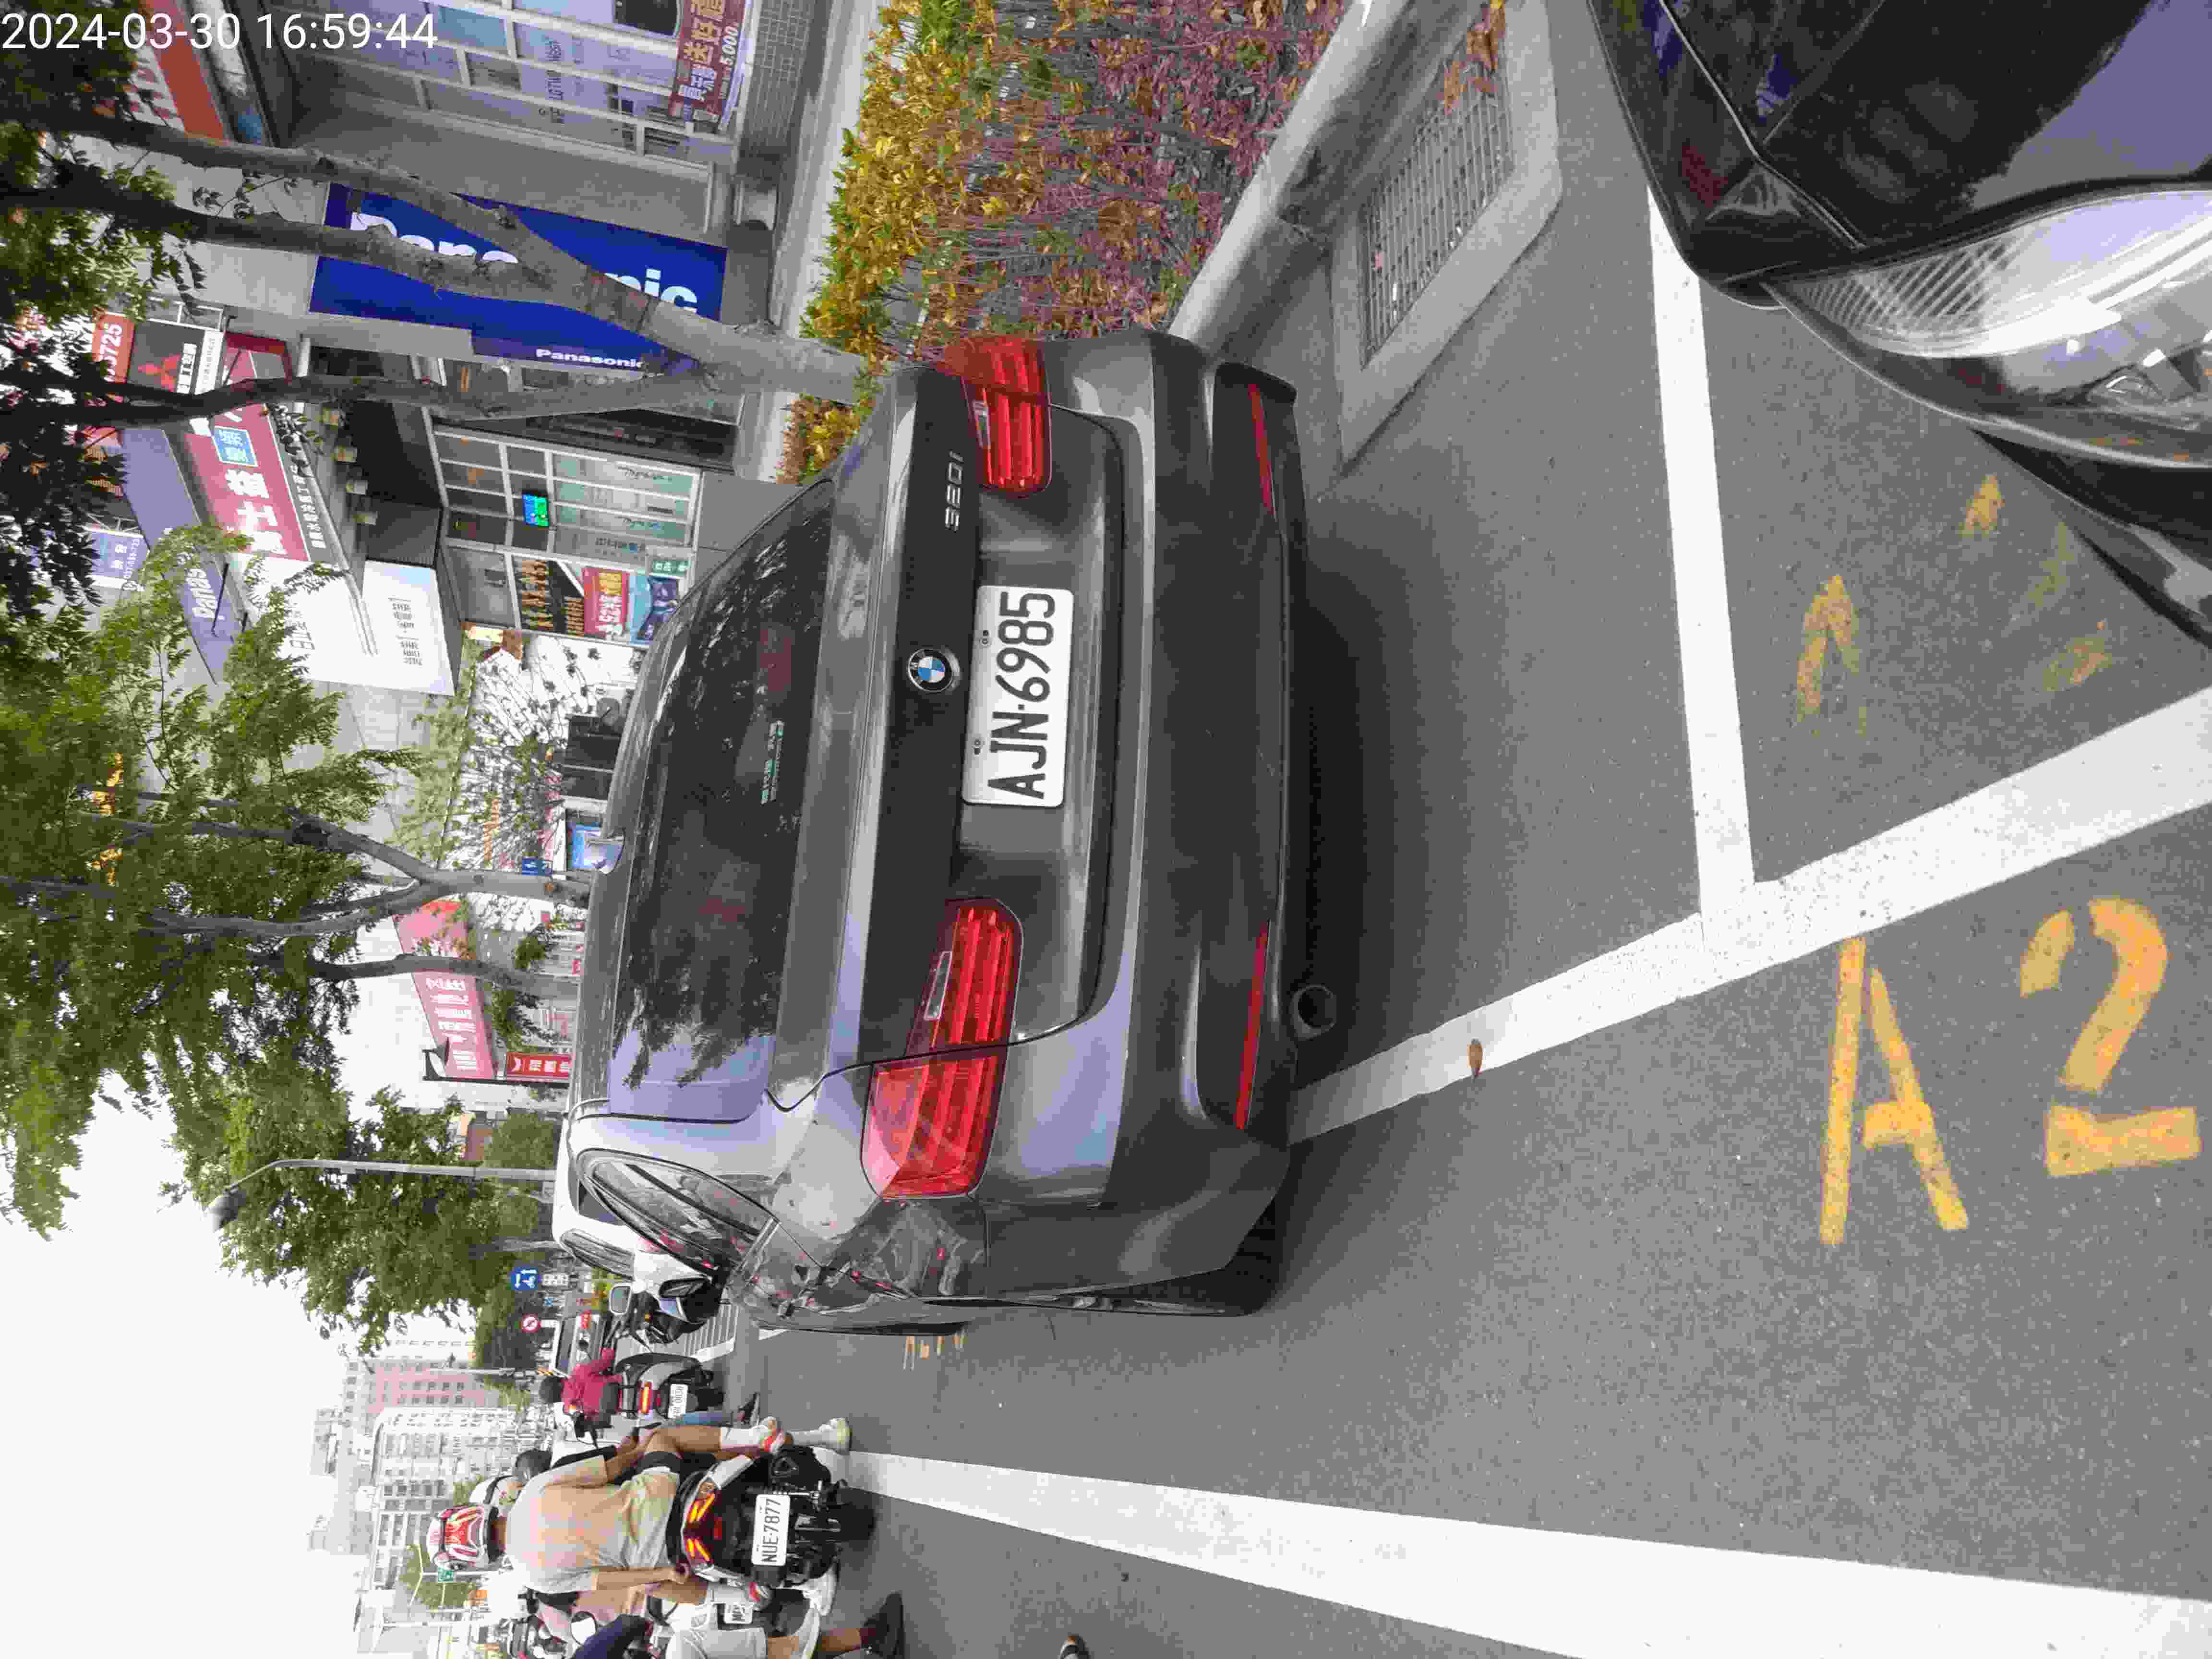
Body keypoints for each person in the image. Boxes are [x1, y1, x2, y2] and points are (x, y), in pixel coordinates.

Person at [431, 1416, 853, 1611]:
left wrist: (664, 1573)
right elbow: (613, 1468)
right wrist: (640, 1448)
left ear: (481, 1560)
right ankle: (756, 1436)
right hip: (663, 1492)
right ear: (482, 1512)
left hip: (666, 1554)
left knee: (653, 1587)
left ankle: (758, 1595)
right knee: (665, 1437)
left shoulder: (533, 1578)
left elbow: (608, 1580)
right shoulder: (536, 1489)